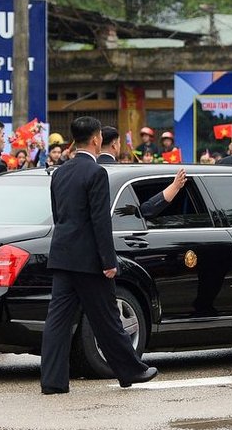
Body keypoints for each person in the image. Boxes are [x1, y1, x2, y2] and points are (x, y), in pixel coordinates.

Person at [40, 116, 158, 394]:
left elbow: (59, 215)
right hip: (89, 259)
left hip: (62, 255)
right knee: (107, 318)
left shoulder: (60, 172)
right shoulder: (96, 173)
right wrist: (109, 261)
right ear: (96, 140)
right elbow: (100, 222)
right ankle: (130, 369)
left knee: (57, 320)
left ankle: (53, 380)